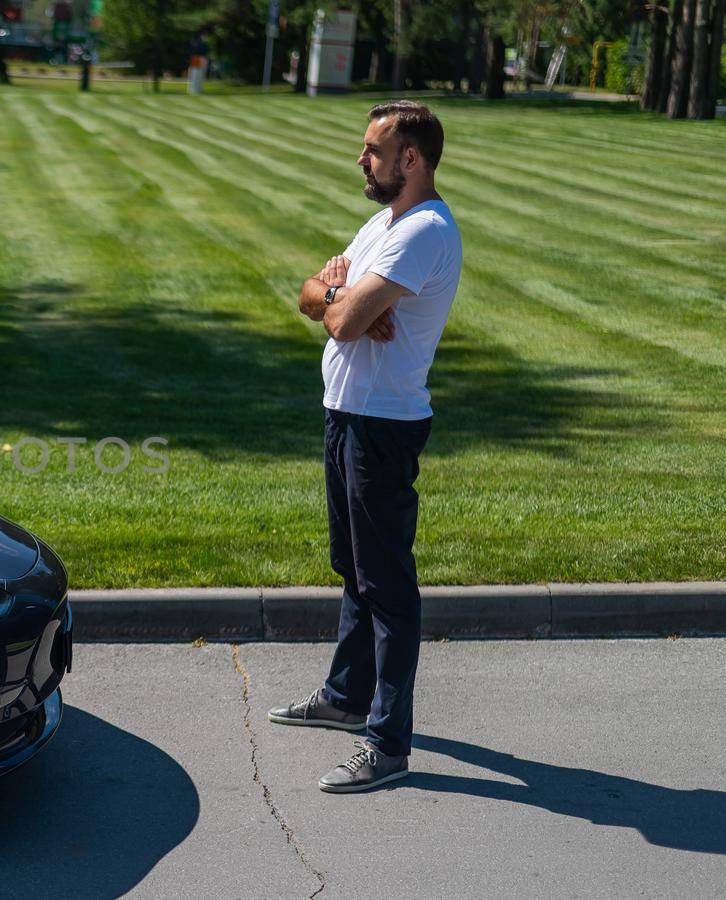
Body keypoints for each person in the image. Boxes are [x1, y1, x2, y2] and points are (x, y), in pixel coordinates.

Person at [270, 100, 463, 794]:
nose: (361, 160)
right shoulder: (382, 224)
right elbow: (310, 297)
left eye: (374, 151)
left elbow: (344, 320)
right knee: (351, 566)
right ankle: (346, 697)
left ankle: (386, 742)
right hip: (344, 413)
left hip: (381, 425)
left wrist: (343, 300)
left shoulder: (426, 232)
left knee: (387, 585)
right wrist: (338, 295)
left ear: (411, 159)